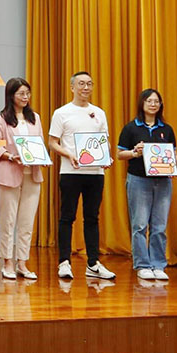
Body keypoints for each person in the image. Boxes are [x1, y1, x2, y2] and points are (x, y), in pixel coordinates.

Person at [48, 71, 116, 280]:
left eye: (89, 84)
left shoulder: (99, 113)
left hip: (95, 173)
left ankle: (93, 263)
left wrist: (106, 157)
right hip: (71, 172)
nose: (86, 88)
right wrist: (69, 154)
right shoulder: (62, 113)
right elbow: (52, 142)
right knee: (67, 217)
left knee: (92, 217)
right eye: (81, 84)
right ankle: (64, 262)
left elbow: (104, 140)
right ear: (72, 87)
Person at [116, 89, 176, 281]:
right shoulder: (131, 128)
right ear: (142, 104)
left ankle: (158, 265)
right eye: (149, 101)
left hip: (163, 181)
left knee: (159, 226)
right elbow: (120, 154)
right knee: (140, 224)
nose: (153, 104)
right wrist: (135, 152)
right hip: (138, 180)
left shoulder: (167, 129)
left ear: (161, 105)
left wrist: (171, 166)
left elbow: (172, 154)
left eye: (156, 101)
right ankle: (142, 264)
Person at [0, 78, 43, 280]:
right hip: (9, 174)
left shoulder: (35, 118)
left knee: (26, 221)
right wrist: (9, 156)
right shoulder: (1, 118)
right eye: (21, 94)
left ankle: (22, 262)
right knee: (7, 221)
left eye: (27, 93)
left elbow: (39, 143)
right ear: (11, 95)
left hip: (32, 174)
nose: (25, 97)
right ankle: (7, 261)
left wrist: (41, 157)